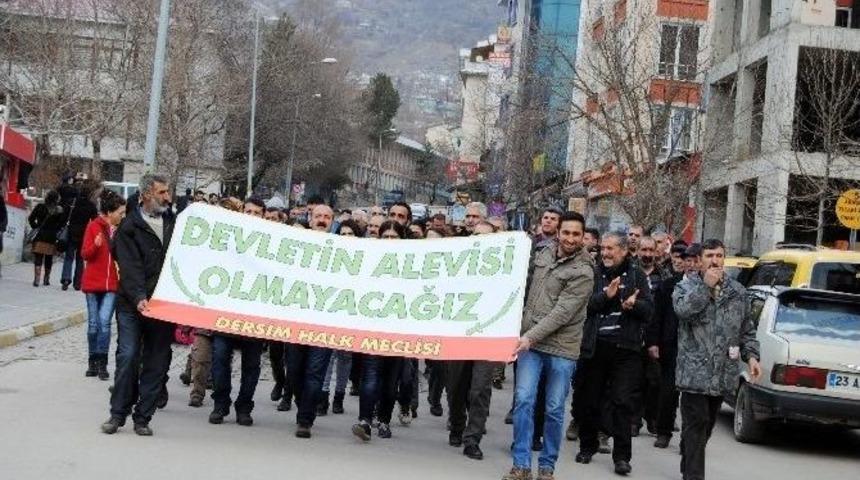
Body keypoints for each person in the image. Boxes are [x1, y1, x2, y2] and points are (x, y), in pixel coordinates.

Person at [504, 212, 594, 480]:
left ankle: (546, 467)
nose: (570, 238)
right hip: (530, 343)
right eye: (566, 232)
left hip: (560, 349)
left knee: (554, 408)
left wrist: (529, 336)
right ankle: (521, 464)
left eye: (576, 234)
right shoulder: (542, 255)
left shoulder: (584, 271)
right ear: (558, 232)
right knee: (523, 400)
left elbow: (562, 314)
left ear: (582, 237)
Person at [673, 239, 761, 480]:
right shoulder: (686, 287)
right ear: (699, 260)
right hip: (693, 373)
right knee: (697, 423)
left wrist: (752, 356)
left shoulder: (738, 292)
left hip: (723, 373)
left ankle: (688, 451)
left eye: (719, 255)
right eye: (710, 255)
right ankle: (693, 475)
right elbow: (683, 311)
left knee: (706, 426)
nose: (715, 260)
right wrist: (705, 288)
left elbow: (746, 329)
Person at [101, 174, 175, 436]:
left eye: (168, 191)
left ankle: (143, 417)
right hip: (132, 305)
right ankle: (117, 413)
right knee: (128, 356)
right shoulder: (129, 227)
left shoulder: (175, 224)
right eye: (162, 192)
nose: (168, 197)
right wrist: (139, 297)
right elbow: (129, 267)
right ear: (146, 195)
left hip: (164, 307)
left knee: (157, 362)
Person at [576, 231, 653, 476]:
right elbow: (582, 307)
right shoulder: (594, 273)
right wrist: (605, 296)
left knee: (622, 402)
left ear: (623, 251)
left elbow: (649, 311)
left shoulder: (637, 275)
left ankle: (622, 457)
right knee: (589, 399)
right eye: (603, 248)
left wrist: (634, 305)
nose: (606, 253)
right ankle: (587, 446)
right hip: (595, 345)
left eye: (611, 249)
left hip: (626, 348)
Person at [351, 220, 416, 442]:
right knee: (370, 377)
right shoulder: (370, 262)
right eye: (385, 237)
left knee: (390, 384)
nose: (389, 241)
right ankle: (365, 421)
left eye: (394, 237)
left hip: (398, 334)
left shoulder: (413, 266)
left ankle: (385, 421)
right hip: (373, 330)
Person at [446, 221, 502, 460]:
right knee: (456, 386)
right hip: (459, 334)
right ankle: (457, 425)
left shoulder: (504, 269)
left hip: (488, 335)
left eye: (486, 236)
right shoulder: (457, 263)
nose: (480, 239)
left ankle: (473, 438)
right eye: (477, 235)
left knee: (480, 389)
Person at [208, 197, 267, 427]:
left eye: (256, 213)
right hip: (228, 312)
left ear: (263, 215)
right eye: (248, 211)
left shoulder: (271, 241)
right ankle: (220, 403)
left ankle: (244, 406)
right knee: (220, 358)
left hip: (255, 315)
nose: (252, 216)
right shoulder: (229, 236)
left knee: (251, 365)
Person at [288, 204, 336, 439]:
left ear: (332, 222)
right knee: (295, 370)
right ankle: (302, 403)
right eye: (318, 216)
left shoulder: (344, 250)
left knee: (315, 372)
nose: (322, 220)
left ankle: (305, 419)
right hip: (297, 319)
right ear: (310, 219)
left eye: (327, 217)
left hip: (325, 323)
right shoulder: (296, 245)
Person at [318, 219, 364, 416]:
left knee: (345, 358)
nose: (346, 237)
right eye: (342, 234)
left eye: (350, 234)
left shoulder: (364, 258)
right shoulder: (330, 256)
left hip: (351, 314)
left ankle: (339, 396)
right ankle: (323, 396)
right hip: (331, 312)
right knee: (328, 357)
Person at [646, 242, 690, 449]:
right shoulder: (669, 285)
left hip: (696, 350)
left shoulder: (708, 287)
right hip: (671, 345)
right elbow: (657, 316)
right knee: (668, 392)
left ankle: (689, 440)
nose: (686, 263)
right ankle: (663, 431)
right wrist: (653, 342)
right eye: (684, 260)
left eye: (691, 260)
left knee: (692, 398)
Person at [80, 190, 127, 380]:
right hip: (93, 283)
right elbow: (85, 254)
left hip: (112, 285)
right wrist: (96, 245)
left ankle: (102, 363)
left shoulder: (122, 230)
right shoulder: (93, 227)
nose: (122, 216)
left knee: (105, 323)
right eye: (120, 212)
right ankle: (92, 359)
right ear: (109, 211)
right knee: (93, 325)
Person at [633, 236, 668, 436]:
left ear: (656, 252)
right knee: (635, 380)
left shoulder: (663, 275)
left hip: (656, 335)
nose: (647, 255)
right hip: (634, 332)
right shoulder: (631, 272)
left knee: (655, 381)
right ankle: (634, 420)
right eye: (643, 250)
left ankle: (652, 418)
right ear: (637, 251)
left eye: (650, 251)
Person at [62, 179, 100, 291]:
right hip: (84, 234)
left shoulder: (72, 203)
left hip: (71, 233)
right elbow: (95, 221)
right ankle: (78, 283)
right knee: (80, 259)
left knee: (68, 257)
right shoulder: (91, 206)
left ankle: (65, 279)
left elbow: (64, 217)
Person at [28, 190, 65, 287]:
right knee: (49, 258)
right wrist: (56, 230)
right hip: (51, 237)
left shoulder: (40, 207)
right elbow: (62, 224)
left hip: (40, 235)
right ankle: (46, 280)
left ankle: (36, 280)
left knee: (38, 257)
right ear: (56, 199)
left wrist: (35, 226)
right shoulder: (59, 210)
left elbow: (31, 218)